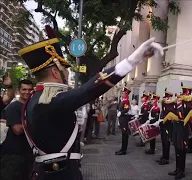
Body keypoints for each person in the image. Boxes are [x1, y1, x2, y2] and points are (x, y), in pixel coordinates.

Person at [19, 25, 164, 180]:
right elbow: (88, 90)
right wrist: (132, 60)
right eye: (65, 68)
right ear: (56, 72)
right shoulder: (46, 102)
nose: (68, 73)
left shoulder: (36, 99)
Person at [0, 79, 34, 180]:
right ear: (19, 91)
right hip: (13, 156)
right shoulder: (13, 107)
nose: (27, 92)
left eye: (29, 89)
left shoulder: (32, 107)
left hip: (28, 155)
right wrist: (35, 121)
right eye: (24, 89)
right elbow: (17, 130)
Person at [169, 93, 189, 180]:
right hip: (176, 130)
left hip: (182, 131)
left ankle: (181, 171)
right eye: (177, 98)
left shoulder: (184, 107)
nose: (177, 99)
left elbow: (186, 119)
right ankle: (177, 169)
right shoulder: (176, 107)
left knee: (181, 151)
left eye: (179, 98)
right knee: (177, 150)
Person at [156, 88, 174, 165]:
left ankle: (166, 159)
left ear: (168, 98)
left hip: (167, 127)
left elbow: (169, 118)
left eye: (165, 98)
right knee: (163, 142)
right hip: (163, 126)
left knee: (166, 142)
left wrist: (162, 121)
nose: (164, 99)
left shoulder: (170, 106)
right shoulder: (165, 105)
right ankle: (164, 156)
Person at [116, 85, 131, 155]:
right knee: (123, 134)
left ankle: (123, 150)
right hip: (121, 119)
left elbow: (126, 109)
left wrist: (121, 112)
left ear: (126, 94)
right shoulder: (123, 100)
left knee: (125, 134)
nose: (122, 94)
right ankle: (122, 149)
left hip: (124, 119)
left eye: (123, 93)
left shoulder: (126, 101)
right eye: (122, 93)